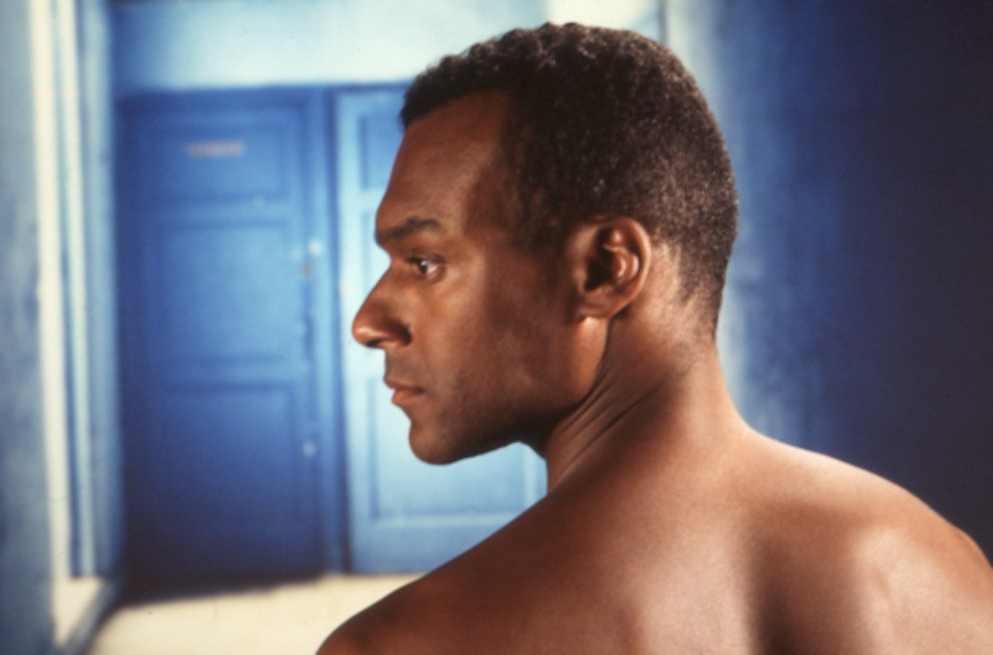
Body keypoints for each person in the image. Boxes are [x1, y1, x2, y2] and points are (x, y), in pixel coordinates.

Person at [319, 23, 993, 654]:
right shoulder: (944, 565)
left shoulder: (409, 643)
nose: (369, 322)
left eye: (424, 263)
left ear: (605, 269)